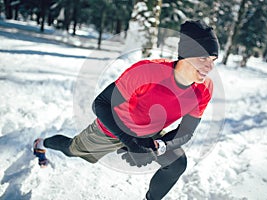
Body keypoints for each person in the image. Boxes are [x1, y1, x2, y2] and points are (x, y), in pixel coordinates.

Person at [33, 20, 219, 200]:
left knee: (177, 163)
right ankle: (42, 144)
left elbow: (186, 131)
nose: (209, 67)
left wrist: (159, 146)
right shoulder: (148, 71)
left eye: (213, 60)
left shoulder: (204, 89)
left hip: (149, 134)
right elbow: (101, 103)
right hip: (112, 128)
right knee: (72, 149)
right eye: (203, 58)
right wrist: (130, 142)